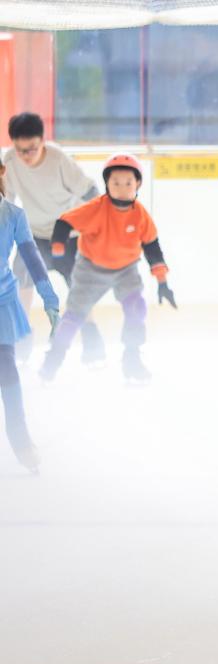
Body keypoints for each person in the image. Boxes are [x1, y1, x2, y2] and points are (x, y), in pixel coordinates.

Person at [39, 154, 177, 383]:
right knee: (74, 316)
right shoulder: (96, 208)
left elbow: (153, 249)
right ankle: (53, 359)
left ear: (138, 184)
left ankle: (132, 359)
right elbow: (65, 222)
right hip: (90, 270)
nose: (122, 189)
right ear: (107, 184)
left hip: (126, 270)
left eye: (128, 183)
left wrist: (163, 283)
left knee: (136, 309)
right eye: (116, 183)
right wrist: (58, 245)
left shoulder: (140, 215)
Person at [3, 112, 104, 364]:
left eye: (31, 149)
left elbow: (90, 190)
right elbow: (8, 199)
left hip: (67, 235)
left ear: (42, 141)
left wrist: (97, 223)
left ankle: (92, 343)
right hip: (35, 235)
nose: (26, 156)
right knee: (19, 279)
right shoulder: (10, 161)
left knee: (78, 288)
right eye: (20, 150)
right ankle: (22, 341)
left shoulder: (58, 159)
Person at [0, 156, 60, 472]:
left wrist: (49, 296)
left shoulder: (13, 215)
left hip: (2, 303)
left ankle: (21, 440)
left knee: (7, 370)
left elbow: (32, 259)